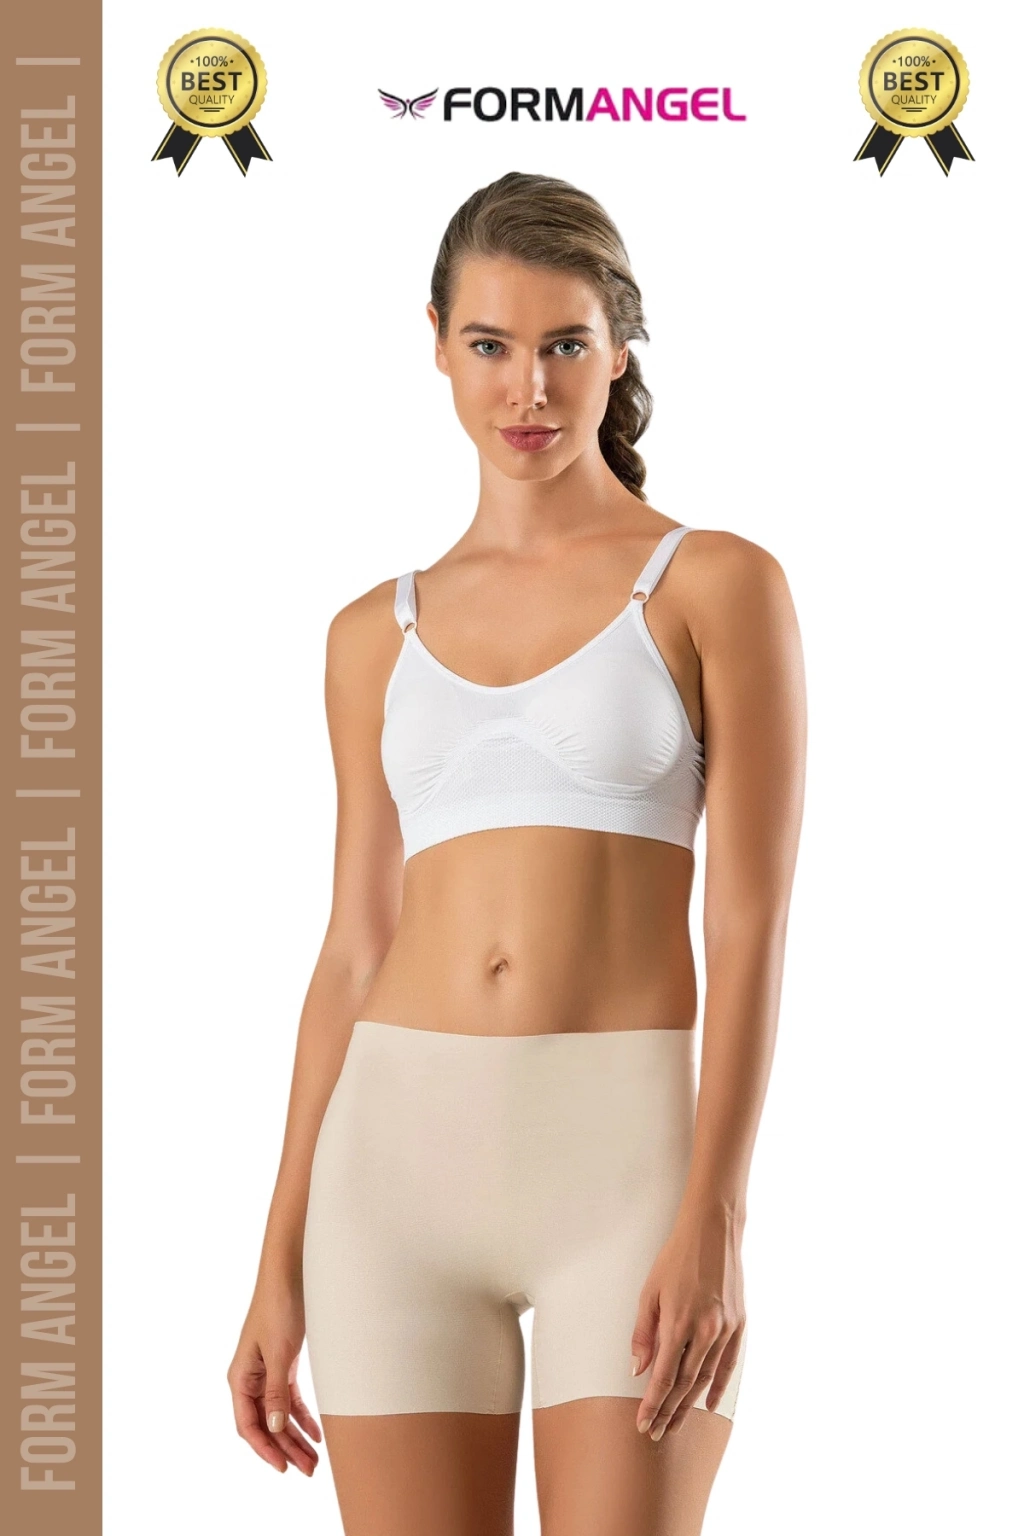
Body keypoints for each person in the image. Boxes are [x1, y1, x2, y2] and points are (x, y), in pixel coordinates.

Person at [227, 170, 806, 1535]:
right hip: (390, 1176)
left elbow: (748, 925)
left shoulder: (716, 584)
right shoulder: (372, 634)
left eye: (565, 345)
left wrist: (717, 1213)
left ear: (620, 350)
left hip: (627, 1172)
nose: (528, 389)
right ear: (436, 342)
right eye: (490, 344)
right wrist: (277, 1257)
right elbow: (353, 948)